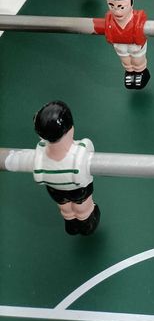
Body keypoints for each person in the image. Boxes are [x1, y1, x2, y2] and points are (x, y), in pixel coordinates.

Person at [33, 100, 100, 236]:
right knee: (82, 207)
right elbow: (88, 148)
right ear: (70, 129)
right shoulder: (81, 151)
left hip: (54, 190)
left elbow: (38, 177)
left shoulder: (40, 154)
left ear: (41, 136)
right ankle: (86, 223)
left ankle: (71, 224)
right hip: (78, 189)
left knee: (64, 207)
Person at [92, 0, 150, 90]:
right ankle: (129, 72)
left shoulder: (137, 19)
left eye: (121, 7)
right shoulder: (109, 19)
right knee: (125, 60)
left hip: (135, 46)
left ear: (131, 3)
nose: (117, 11)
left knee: (137, 60)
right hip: (119, 46)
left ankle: (141, 72)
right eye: (111, 6)